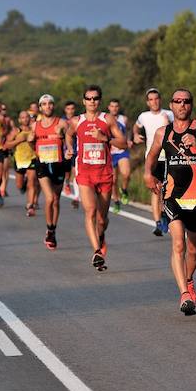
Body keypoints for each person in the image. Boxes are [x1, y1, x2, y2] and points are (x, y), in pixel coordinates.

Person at [145, 89, 196, 315]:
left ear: (191, 105)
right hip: (173, 196)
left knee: (194, 251)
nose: (182, 105)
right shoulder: (163, 133)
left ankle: (188, 279)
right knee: (178, 245)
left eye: (186, 101)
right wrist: (147, 174)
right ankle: (184, 295)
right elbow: (151, 156)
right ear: (170, 105)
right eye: (177, 101)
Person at [70, 85, 127, 270]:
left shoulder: (107, 119)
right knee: (90, 211)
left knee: (102, 219)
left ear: (99, 101)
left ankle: (101, 238)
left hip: (104, 174)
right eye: (88, 98)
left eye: (95, 98)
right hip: (85, 173)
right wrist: (70, 148)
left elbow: (123, 143)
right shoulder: (76, 121)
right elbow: (68, 135)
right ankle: (97, 251)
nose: (92, 101)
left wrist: (105, 139)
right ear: (83, 101)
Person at [133, 87, 174, 236]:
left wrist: (169, 122)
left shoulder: (169, 114)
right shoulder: (143, 116)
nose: (154, 102)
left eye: (156, 99)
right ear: (147, 102)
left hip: (169, 156)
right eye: (151, 99)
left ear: (160, 100)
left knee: (168, 189)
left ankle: (165, 215)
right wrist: (136, 135)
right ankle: (158, 223)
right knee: (156, 189)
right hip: (153, 157)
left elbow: (179, 129)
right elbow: (136, 127)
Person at [35, 94, 73, 249]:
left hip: (58, 164)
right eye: (44, 104)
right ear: (40, 107)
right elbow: (30, 140)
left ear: (53, 106)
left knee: (56, 199)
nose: (47, 106)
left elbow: (70, 137)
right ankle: (49, 228)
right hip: (42, 164)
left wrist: (69, 148)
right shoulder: (35, 125)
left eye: (50, 103)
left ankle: (52, 230)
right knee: (49, 198)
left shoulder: (62, 123)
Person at [5, 110, 39, 217]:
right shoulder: (16, 131)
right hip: (19, 160)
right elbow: (6, 145)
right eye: (23, 117)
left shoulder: (34, 130)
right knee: (19, 185)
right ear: (19, 120)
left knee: (32, 182)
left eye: (27, 117)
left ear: (30, 118)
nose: (25, 119)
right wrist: (18, 141)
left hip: (32, 159)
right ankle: (23, 184)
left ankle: (30, 206)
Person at [107, 98, 132, 212]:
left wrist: (130, 140)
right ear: (108, 107)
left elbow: (129, 130)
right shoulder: (105, 119)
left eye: (116, 106)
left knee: (126, 174)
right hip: (110, 153)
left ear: (119, 107)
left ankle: (124, 190)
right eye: (112, 106)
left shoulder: (124, 119)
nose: (114, 108)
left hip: (122, 151)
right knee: (113, 180)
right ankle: (116, 201)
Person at [62, 100, 80, 208]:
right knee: (67, 171)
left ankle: (76, 197)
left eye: (72, 109)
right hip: (64, 150)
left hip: (76, 150)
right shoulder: (62, 121)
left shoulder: (78, 120)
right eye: (68, 109)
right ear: (65, 110)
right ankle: (67, 182)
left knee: (75, 171)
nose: (70, 111)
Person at [0, 104, 12, 198]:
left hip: (5, 147)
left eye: (4, 109)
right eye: (0, 109)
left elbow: (13, 131)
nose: (3, 111)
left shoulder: (8, 120)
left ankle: (3, 188)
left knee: (5, 169)